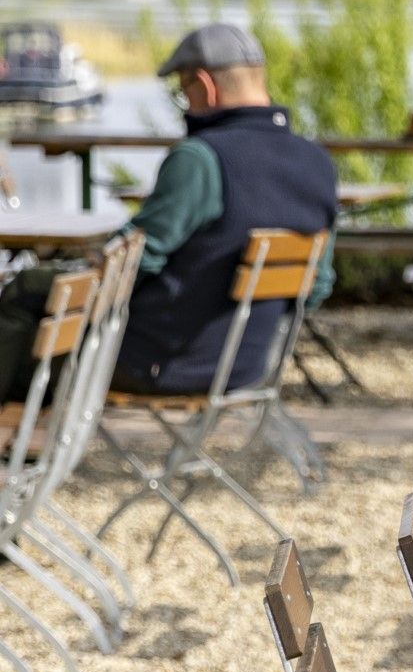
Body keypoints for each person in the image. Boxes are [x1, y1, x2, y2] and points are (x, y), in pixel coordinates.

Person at [0, 21, 338, 401]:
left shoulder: (201, 159)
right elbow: (317, 288)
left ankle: (27, 448)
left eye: (183, 91)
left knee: (23, 298)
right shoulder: (318, 163)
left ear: (205, 86)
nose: (185, 105)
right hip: (248, 367)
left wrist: (76, 270)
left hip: (157, 363)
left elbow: (132, 263)